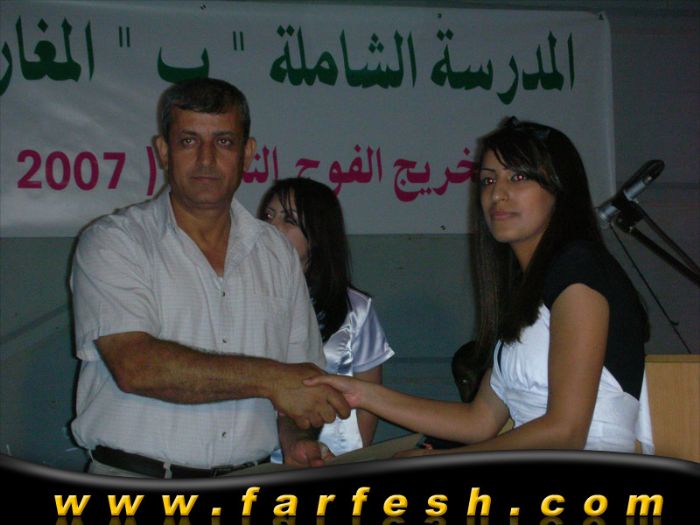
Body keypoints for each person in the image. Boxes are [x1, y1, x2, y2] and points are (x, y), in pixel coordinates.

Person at [307, 117, 655, 455]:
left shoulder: (580, 268)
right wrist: (360, 393)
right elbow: (480, 420)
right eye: (488, 180)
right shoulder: (525, 291)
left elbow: (566, 432)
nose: (497, 194)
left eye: (518, 177)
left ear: (560, 189)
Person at [69, 78, 350, 478]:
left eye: (223, 142)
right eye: (188, 141)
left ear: (247, 154)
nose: (206, 159)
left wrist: (296, 437)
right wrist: (272, 380)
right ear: (163, 151)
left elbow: (299, 378)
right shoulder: (115, 241)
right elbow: (136, 365)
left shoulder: (276, 252)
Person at [258, 178, 395, 459]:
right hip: (259, 460)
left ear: (317, 235)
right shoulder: (245, 299)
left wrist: (350, 461)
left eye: (288, 220)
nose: (271, 228)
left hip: (331, 459)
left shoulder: (355, 309)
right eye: (268, 216)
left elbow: (369, 401)